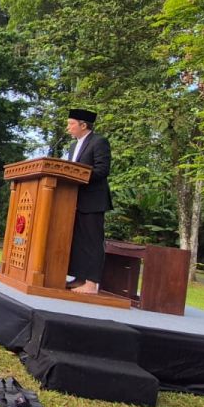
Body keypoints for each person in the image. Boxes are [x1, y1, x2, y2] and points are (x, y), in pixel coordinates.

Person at [64, 108, 112, 295]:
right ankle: (79, 278)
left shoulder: (99, 142)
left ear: (83, 125)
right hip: (73, 200)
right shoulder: (72, 146)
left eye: (71, 124)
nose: (68, 128)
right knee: (78, 241)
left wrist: (77, 175)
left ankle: (92, 283)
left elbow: (102, 170)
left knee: (92, 241)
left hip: (93, 200)